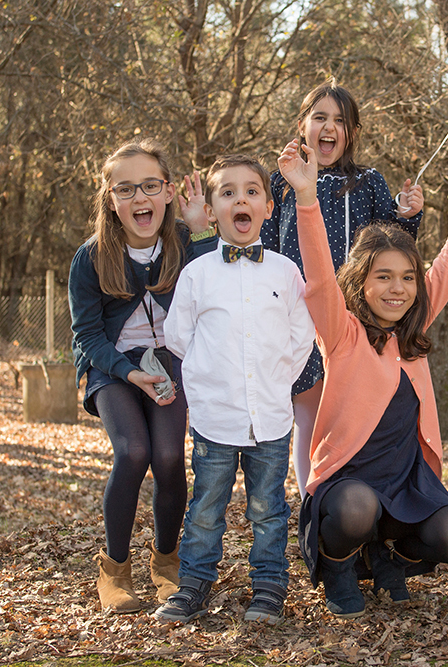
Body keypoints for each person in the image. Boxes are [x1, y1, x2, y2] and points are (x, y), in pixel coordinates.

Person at [276, 123, 448, 619]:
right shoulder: (342, 333)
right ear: (362, 282)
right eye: (383, 277)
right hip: (348, 484)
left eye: (406, 278)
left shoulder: (413, 331)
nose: (398, 289)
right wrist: (307, 199)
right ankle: (337, 565)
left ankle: (388, 557)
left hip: (405, 481)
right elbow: (316, 275)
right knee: (357, 508)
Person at [153, 155, 314, 624]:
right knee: (206, 507)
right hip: (215, 417)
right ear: (212, 209)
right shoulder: (197, 274)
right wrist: (208, 384)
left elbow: (301, 337)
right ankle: (193, 584)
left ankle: (268, 587)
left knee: (268, 510)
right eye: (227, 192)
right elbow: (179, 337)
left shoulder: (285, 272)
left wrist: (276, 382)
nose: (239, 199)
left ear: (266, 205)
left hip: (270, 418)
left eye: (250, 191)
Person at [69, 138, 217, 613]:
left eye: (150, 186)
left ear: (169, 191)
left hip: (168, 361)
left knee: (170, 456)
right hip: (112, 367)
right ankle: (114, 569)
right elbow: (88, 337)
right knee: (133, 451)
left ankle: (166, 563)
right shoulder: (90, 257)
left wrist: (201, 235)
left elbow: (206, 293)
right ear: (110, 199)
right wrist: (130, 374)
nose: (140, 198)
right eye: (126, 189)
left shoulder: (180, 241)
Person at [261, 80, 425, 498]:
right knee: (308, 415)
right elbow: (263, 245)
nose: (329, 127)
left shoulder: (368, 181)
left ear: (352, 132)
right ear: (303, 125)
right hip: (297, 315)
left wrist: (409, 215)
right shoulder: (282, 183)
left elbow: (393, 247)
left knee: (349, 415)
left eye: (340, 120)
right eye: (320, 117)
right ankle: (311, 502)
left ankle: (357, 502)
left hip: (353, 323)